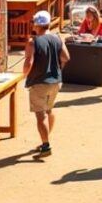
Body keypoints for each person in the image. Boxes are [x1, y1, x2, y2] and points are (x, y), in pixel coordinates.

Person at [23, 11, 69, 157]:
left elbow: (28, 62)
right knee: (49, 110)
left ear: (37, 24)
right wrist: (58, 69)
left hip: (39, 82)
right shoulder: (57, 38)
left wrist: (24, 74)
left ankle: (45, 145)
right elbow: (66, 57)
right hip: (55, 81)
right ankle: (46, 138)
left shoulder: (33, 42)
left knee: (40, 115)